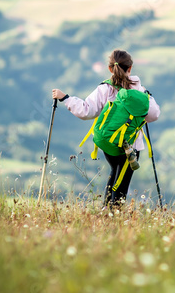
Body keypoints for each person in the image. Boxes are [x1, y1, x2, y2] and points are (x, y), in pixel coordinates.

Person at [52, 49, 160, 207]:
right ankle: (113, 215)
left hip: (108, 142)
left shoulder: (105, 89)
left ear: (110, 68)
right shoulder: (139, 91)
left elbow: (86, 110)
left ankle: (106, 210)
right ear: (130, 68)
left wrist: (66, 98)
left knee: (115, 173)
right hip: (130, 146)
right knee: (121, 184)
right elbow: (154, 115)